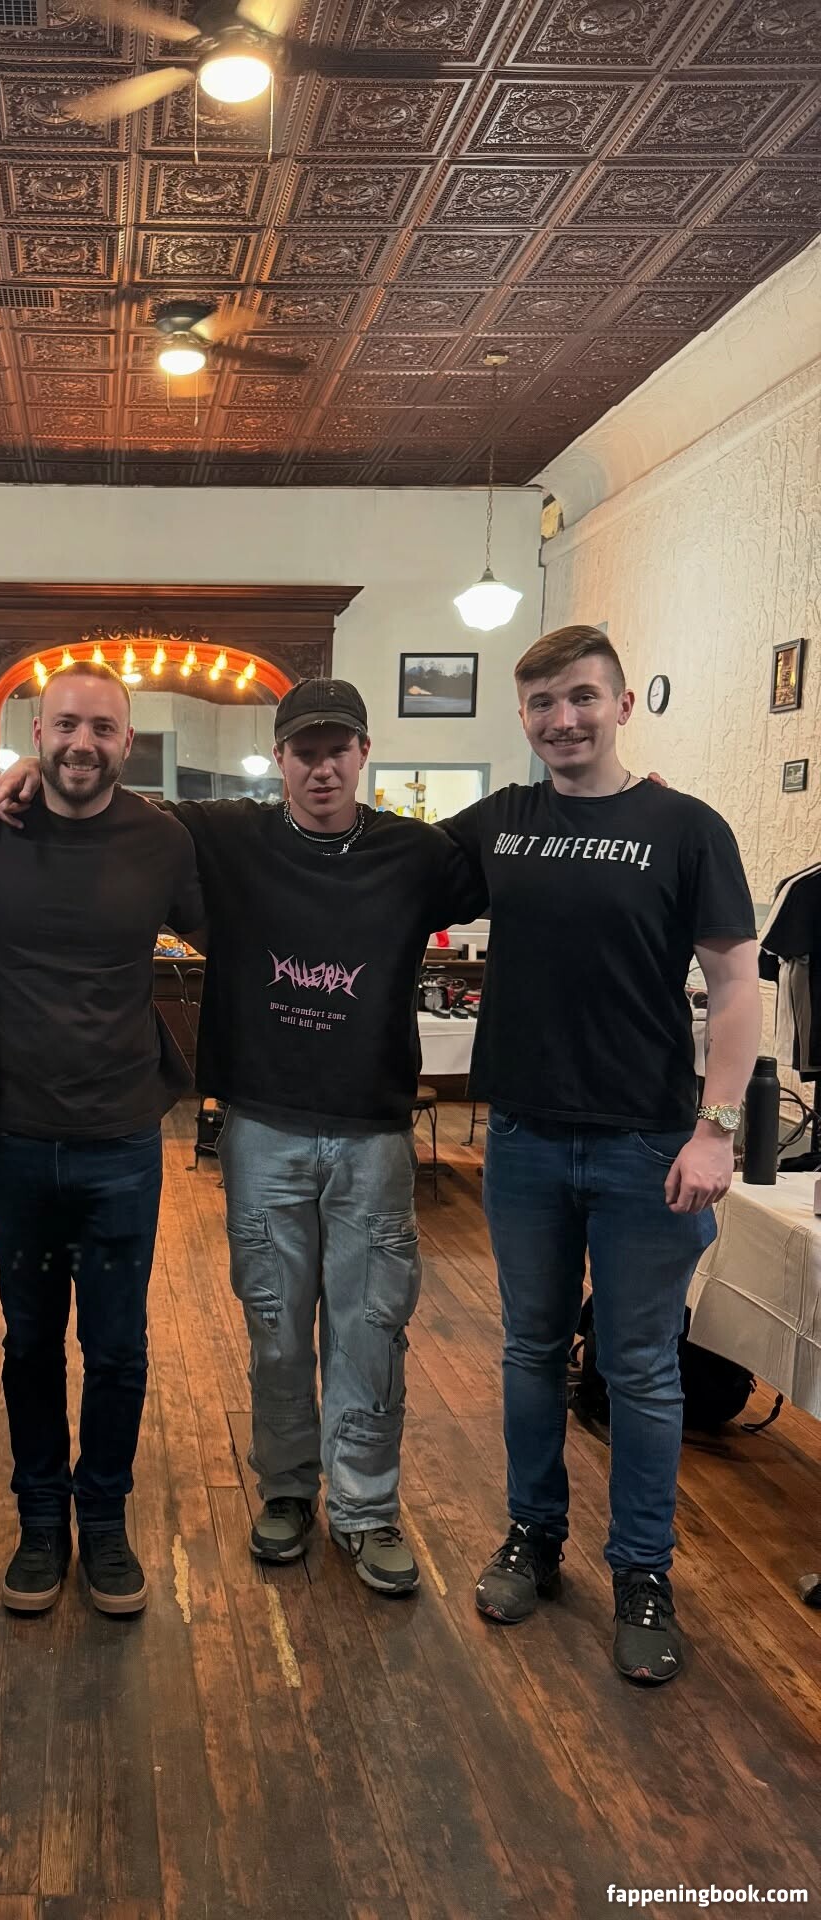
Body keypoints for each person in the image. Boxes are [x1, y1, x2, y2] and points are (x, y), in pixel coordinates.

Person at [0, 678, 480, 1594]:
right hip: (261, 1125)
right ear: (280, 757)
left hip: (373, 1132)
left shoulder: (416, 852)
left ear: (364, 754)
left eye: (338, 750)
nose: (321, 768)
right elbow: (99, 787)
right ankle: (286, 1491)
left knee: (373, 1328)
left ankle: (366, 1509)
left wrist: (604, 796)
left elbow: (506, 844)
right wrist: (25, 770)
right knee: (276, 1330)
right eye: (304, 751)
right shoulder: (226, 833)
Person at [443, 624, 760, 1684]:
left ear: (622, 706)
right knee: (532, 1350)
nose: (563, 719)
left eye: (582, 697)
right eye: (542, 703)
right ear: (523, 717)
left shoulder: (686, 827)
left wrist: (716, 1131)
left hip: (647, 1146)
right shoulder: (500, 824)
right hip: (525, 1140)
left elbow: (737, 987)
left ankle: (642, 1572)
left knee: (641, 1368)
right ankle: (533, 1536)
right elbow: (368, 858)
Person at [0, 660, 205, 1616]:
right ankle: (39, 1521)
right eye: (65, 725)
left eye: (102, 728)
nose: (82, 743)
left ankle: (103, 1520)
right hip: (16, 1135)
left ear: (127, 742)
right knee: (27, 1345)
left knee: (119, 1348)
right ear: (36, 735)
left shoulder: (162, 840)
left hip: (122, 1138)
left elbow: (237, 919)